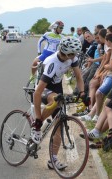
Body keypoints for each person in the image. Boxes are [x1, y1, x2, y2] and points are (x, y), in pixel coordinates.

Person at [31, 36, 85, 169]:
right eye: (73, 54)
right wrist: (38, 118)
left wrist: (83, 93)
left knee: (60, 125)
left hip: (57, 88)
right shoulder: (52, 63)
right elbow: (37, 92)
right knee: (55, 98)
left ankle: (53, 159)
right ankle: (37, 125)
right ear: (66, 52)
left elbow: (78, 76)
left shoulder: (71, 57)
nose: (75, 57)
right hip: (45, 88)